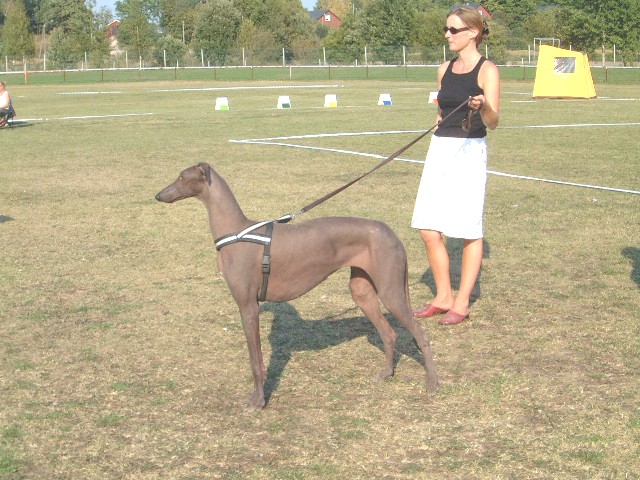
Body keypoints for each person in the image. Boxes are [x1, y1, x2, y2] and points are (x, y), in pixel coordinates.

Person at [411, 6, 500, 326]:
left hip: (470, 150)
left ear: (473, 33)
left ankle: (461, 303)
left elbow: (494, 121)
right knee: (427, 226)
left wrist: (483, 105)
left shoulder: (487, 70)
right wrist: (436, 128)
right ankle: (442, 296)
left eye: (453, 30)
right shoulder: (443, 69)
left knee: (467, 229)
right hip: (440, 148)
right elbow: (441, 111)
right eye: (446, 29)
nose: (447, 35)